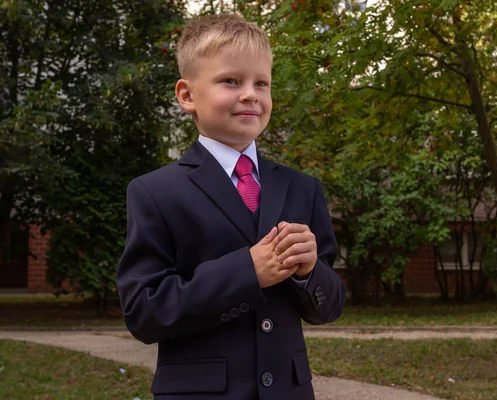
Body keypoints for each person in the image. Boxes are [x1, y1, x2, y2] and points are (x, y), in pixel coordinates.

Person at [116, 13, 347, 400]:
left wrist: (309, 273)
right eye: (231, 81)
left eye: (262, 83)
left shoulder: (302, 188)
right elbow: (143, 312)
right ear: (187, 95)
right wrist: (247, 272)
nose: (250, 94)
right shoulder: (154, 192)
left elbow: (329, 306)